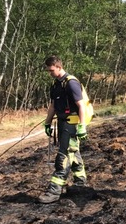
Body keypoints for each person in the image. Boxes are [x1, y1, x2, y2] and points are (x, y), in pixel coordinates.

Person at [38, 55, 89, 204]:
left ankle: (54, 191)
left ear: (59, 67)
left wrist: (82, 126)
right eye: (48, 71)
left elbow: (81, 106)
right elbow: (53, 106)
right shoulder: (55, 85)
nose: (50, 73)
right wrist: (47, 123)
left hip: (71, 124)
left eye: (52, 70)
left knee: (63, 157)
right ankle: (80, 183)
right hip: (61, 123)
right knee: (73, 153)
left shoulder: (71, 83)